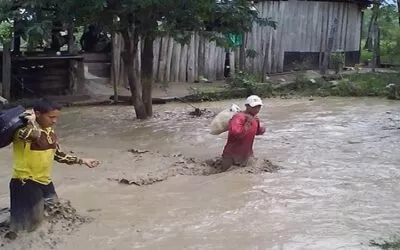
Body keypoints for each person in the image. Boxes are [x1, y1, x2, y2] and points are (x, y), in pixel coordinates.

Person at [7, 99, 100, 236]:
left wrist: (82, 161)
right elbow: (32, 135)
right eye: (51, 117)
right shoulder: (22, 131)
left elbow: (58, 155)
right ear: (37, 114)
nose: (55, 121)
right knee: (27, 227)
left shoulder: (50, 132)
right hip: (25, 183)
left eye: (56, 117)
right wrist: (31, 121)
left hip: (45, 182)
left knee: (55, 213)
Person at [221, 95, 265, 171]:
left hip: (247, 155)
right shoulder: (238, 117)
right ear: (247, 106)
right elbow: (237, 134)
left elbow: (257, 132)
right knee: (223, 175)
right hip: (232, 155)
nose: (257, 109)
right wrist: (248, 123)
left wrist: (262, 129)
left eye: (258, 107)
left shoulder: (255, 118)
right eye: (254, 107)